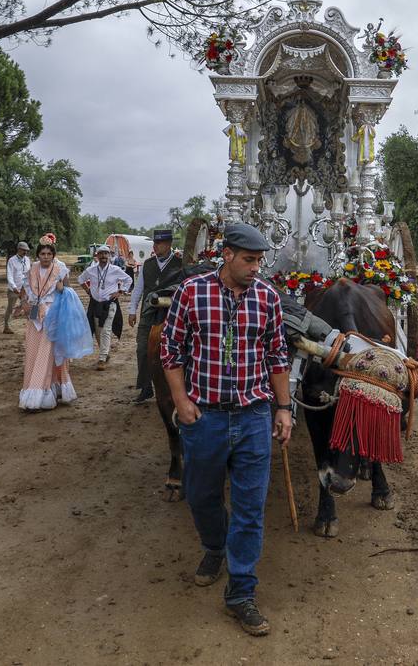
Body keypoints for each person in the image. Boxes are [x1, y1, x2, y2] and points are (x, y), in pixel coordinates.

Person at [161, 222, 293, 637]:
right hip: (206, 418)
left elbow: (277, 356)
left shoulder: (268, 297)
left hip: (254, 417)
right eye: (249, 260)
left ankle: (241, 592)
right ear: (228, 255)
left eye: (260, 261)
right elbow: (171, 349)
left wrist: (284, 408)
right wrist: (181, 401)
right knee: (201, 496)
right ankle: (214, 546)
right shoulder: (191, 293)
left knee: (250, 509)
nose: (256, 268)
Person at [17, 234, 75, 411]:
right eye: (43, 254)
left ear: (53, 255)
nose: (46, 257)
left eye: (49, 254)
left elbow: (68, 292)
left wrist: (62, 289)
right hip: (34, 317)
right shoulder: (31, 270)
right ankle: (44, 389)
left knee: (46, 354)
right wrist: (24, 303)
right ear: (38, 255)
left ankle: (40, 395)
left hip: (52, 317)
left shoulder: (60, 269)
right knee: (32, 353)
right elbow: (23, 291)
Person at [129, 229, 185, 403]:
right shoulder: (147, 264)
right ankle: (145, 387)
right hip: (148, 313)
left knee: (170, 350)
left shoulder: (180, 264)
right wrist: (132, 310)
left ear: (168, 244)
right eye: (155, 243)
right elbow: (138, 288)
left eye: (159, 243)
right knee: (143, 349)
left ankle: (173, 388)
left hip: (171, 314)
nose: (155, 246)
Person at [79, 245, 132, 367]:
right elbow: (80, 279)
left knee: (106, 330)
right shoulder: (91, 270)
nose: (103, 256)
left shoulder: (115, 269)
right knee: (98, 331)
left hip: (110, 304)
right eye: (101, 253)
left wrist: (120, 291)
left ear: (109, 255)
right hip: (95, 304)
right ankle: (105, 352)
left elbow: (128, 280)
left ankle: (102, 358)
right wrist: (88, 290)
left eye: (106, 253)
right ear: (97, 256)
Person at [3, 241, 30, 334]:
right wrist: (13, 286)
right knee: (10, 308)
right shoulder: (12, 260)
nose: (25, 252)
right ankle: (6, 327)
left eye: (26, 250)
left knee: (29, 306)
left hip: (25, 288)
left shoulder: (27, 260)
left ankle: (33, 327)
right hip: (14, 289)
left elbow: (29, 273)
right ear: (18, 249)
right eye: (23, 250)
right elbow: (9, 275)